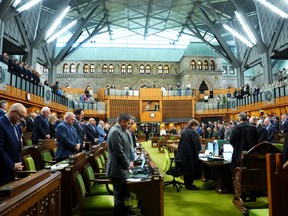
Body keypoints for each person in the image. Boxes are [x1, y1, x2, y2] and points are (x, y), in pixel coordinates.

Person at [105, 113, 134, 215]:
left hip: (121, 168)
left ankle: (123, 210)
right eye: (128, 123)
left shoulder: (121, 130)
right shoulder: (115, 132)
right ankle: (119, 213)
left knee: (121, 194)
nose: (129, 125)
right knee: (119, 196)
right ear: (123, 122)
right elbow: (119, 153)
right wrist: (128, 164)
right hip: (117, 169)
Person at [0, 103, 27, 186]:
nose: (22, 119)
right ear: (12, 112)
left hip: (13, 170)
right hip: (2, 171)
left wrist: (18, 163)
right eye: (21, 116)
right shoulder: (1, 124)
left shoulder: (17, 125)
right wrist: (11, 165)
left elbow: (18, 145)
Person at [175, 119, 201, 190]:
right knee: (190, 169)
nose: (197, 128)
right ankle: (189, 185)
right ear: (193, 125)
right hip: (190, 154)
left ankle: (187, 184)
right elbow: (197, 145)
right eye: (196, 126)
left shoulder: (184, 131)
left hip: (183, 154)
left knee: (186, 170)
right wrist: (200, 149)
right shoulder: (192, 133)